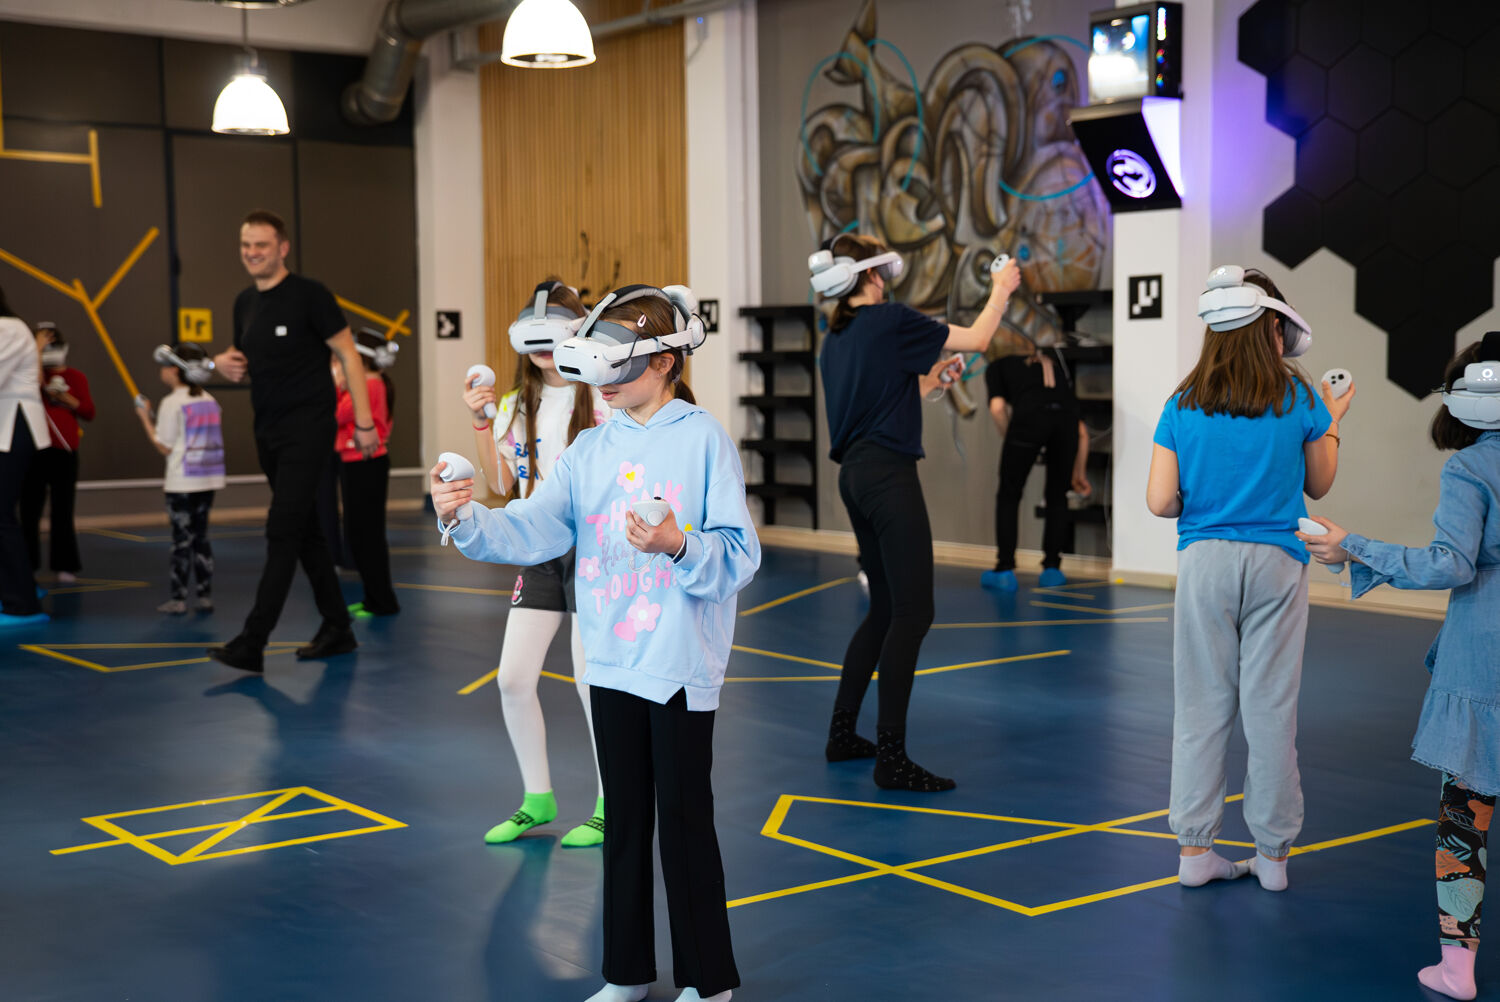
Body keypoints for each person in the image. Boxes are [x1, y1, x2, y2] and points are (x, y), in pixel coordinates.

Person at [432, 284, 757, 1002]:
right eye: (598, 368)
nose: (604, 385)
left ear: (666, 361)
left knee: (682, 824)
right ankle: (627, 974)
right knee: (626, 825)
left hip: (675, 666)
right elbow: (534, 526)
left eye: (620, 367)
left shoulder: (701, 438)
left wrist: (679, 544)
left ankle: (709, 982)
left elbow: (740, 554)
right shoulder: (588, 447)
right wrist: (465, 520)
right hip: (610, 662)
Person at [1298, 333, 1499, 1001]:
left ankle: (1457, 969)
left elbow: (1451, 564)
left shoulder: (1470, 468)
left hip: (1485, 661)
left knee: (1465, 816)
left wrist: (1350, 545)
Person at [1146, 265, 1353, 892]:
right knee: (1270, 711)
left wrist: (1207, 502)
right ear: (1272, 325)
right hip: (1278, 563)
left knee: (1201, 708)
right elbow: (1319, 485)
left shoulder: (1182, 401)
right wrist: (1334, 417)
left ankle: (1194, 853)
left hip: (1205, 561)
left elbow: (1159, 502)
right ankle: (1273, 859)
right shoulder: (1300, 397)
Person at [811, 234, 1020, 791]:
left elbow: (883, 394)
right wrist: (1001, 289)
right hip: (887, 477)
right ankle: (892, 756)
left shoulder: (838, 337)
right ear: (873, 275)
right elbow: (976, 337)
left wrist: (933, 379)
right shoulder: (889, 318)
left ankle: (841, 733)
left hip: (854, 478)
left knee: (884, 608)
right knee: (913, 612)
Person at [461, 281, 608, 847]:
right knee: (513, 679)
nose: (545, 345)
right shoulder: (515, 405)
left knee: (590, 683)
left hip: (596, 549)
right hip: (539, 548)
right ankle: (537, 798)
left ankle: (608, 801)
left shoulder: (601, 396)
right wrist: (480, 421)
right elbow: (500, 485)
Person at [208, 209, 379, 672]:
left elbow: (347, 352)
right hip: (269, 431)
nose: (252, 254)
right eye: (246, 246)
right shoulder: (244, 302)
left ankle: (253, 640)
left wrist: (364, 423)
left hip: (310, 429)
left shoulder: (310, 295)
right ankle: (337, 627)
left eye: (261, 245)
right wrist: (222, 363)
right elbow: (240, 358)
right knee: (305, 533)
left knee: (282, 528)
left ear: (282, 248)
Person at [981, 342, 1092, 590]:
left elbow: (998, 408)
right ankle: (1052, 568)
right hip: (1065, 424)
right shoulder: (1052, 364)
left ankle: (1005, 570)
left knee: (1009, 494)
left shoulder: (997, 366)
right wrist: (1079, 474)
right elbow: (1082, 431)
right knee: (1057, 495)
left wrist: (1010, 438)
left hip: (1028, 420)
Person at [133, 343, 226, 614]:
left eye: (165, 366)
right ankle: (205, 596)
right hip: (208, 480)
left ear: (175, 370)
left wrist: (144, 418)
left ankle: (178, 598)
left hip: (182, 482)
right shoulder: (210, 400)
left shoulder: (172, 402)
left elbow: (165, 445)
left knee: (181, 540)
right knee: (202, 538)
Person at [21, 323, 93, 584]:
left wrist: (66, 398)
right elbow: (33, 383)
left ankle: (65, 565)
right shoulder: (30, 373)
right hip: (36, 450)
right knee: (29, 511)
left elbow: (88, 411)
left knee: (63, 510)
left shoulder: (76, 377)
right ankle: (27, 565)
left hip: (65, 451)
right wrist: (35, 352)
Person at [336, 328, 400, 618]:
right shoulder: (375, 383)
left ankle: (381, 601)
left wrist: (338, 386)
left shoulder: (368, 386)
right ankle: (374, 598)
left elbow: (337, 414)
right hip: (361, 463)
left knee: (366, 536)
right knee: (363, 534)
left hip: (365, 464)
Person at [0, 284, 49, 627]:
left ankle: (23, 603)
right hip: (5, 428)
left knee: (1, 514)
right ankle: (14, 591)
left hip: (15, 427)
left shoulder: (11, 329)